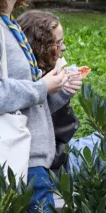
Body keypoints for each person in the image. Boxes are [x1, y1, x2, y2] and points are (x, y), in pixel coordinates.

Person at [0, 0, 80, 213]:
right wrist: (42, 87)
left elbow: (26, 102)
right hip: (16, 164)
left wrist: (59, 90)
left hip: (32, 160)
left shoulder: (8, 23)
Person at [18, 10, 79, 173]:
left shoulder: (46, 75)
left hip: (59, 156)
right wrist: (57, 93)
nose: (63, 48)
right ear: (41, 47)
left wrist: (63, 91)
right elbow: (51, 136)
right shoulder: (29, 82)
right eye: (58, 43)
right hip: (51, 164)